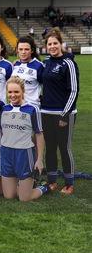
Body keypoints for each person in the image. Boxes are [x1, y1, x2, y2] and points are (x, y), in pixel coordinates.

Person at [41, 28, 80, 195]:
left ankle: (69, 183)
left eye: (55, 43)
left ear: (61, 44)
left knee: (64, 148)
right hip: (46, 113)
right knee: (50, 148)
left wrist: (65, 114)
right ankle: (52, 181)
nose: (52, 46)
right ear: (46, 46)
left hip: (64, 114)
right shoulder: (46, 62)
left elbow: (74, 90)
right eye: (49, 44)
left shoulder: (68, 63)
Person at [0, 76, 48, 202]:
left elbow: (39, 134)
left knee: (24, 198)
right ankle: (23, 185)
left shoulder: (32, 109)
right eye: (10, 92)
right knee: (9, 196)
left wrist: (39, 159)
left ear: (23, 91)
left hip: (24, 154)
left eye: (16, 92)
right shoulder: (4, 109)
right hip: (6, 153)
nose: (13, 95)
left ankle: (43, 187)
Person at [12, 36, 44, 107]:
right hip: (16, 106)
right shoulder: (15, 65)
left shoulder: (38, 66)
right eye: (20, 49)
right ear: (17, 50)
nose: (23, 52)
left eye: (26, 49)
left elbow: (46, 86)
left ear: (32, 50)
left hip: (32, 106)